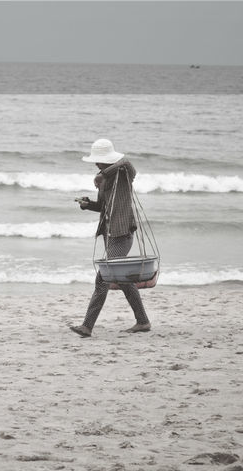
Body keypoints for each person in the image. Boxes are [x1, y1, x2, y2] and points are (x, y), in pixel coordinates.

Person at [69, 138, 152, 337]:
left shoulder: (124, 175)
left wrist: (103, 175)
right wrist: (88, 204)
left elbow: (127, 163)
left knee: (103, 279)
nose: (97, 164)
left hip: (122, 233)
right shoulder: (103, 179)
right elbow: (103, 208)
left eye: (99, 161)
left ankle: (87, 326)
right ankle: (143, 321)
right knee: (124, 281)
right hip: (109, 233)